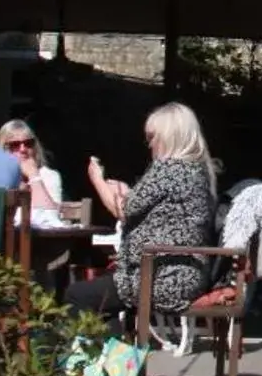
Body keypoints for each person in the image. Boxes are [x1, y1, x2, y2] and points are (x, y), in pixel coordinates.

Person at [68, 102, 219, 321]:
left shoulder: (168, 169)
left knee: (77, 295)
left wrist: (97, 180)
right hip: (184, 275)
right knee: (102, 299)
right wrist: (126, 192)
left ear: (169, 137)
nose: (148, 144)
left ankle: (100, 353)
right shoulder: (196, 171)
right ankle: (113, 352)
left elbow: (123, 210)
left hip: (159, 278)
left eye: (152, 137)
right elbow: (154, 208)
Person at [0, 119, 64, 225]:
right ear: (3, 148)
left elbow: (51, 220)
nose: (23, 149)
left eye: (28, 143)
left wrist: (34, 176)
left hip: (40, 239)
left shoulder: (49, 175)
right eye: (15, 145)